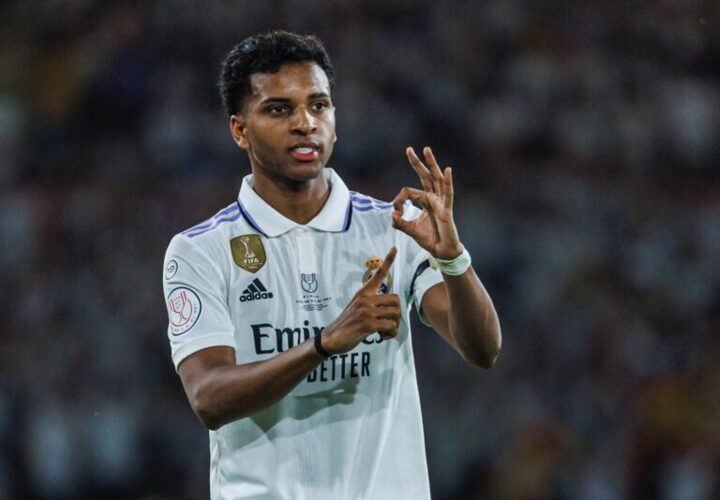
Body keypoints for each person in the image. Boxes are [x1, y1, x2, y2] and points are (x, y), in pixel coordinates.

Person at [162, 30, 501, 500]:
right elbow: (208, 398)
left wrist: (453, 259)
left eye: (318, 105)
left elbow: (483, 350)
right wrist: (323, 344)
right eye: (279, 109)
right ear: (240, 130)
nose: (305, 123)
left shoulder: (394, 228)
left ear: (335, 120)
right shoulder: (202, 250)